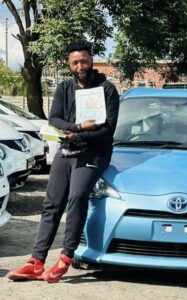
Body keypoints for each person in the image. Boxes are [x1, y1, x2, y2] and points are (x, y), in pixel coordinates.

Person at [7, 40, 120, 283]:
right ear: (69, 64)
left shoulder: (107, 89)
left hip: (94, 152)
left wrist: (81, 135)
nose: (80, 65)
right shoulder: (64, 88)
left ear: (91, 60)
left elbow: (108, 130)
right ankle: (36, 261)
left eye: (84, 61)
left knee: (77, 197)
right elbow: (54, 119)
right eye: (75, 62)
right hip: (67, 148)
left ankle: (66, 256)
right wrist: (77, 129)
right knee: (51, 203)